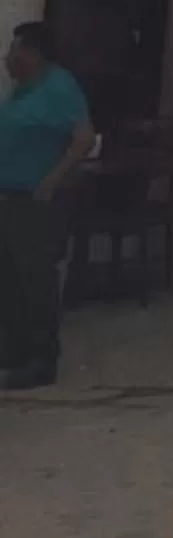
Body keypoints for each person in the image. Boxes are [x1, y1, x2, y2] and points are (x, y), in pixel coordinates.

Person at [0, 22, 94, 390]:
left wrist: (52, 180)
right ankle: (15, 349)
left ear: (35, 53)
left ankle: (41, 359)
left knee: (35, 279)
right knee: (9, 278)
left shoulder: (60, 86)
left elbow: (83, 138)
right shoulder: (23, 90)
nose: (8, 56)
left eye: (15, 49)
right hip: (9, 195)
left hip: (33, 199)